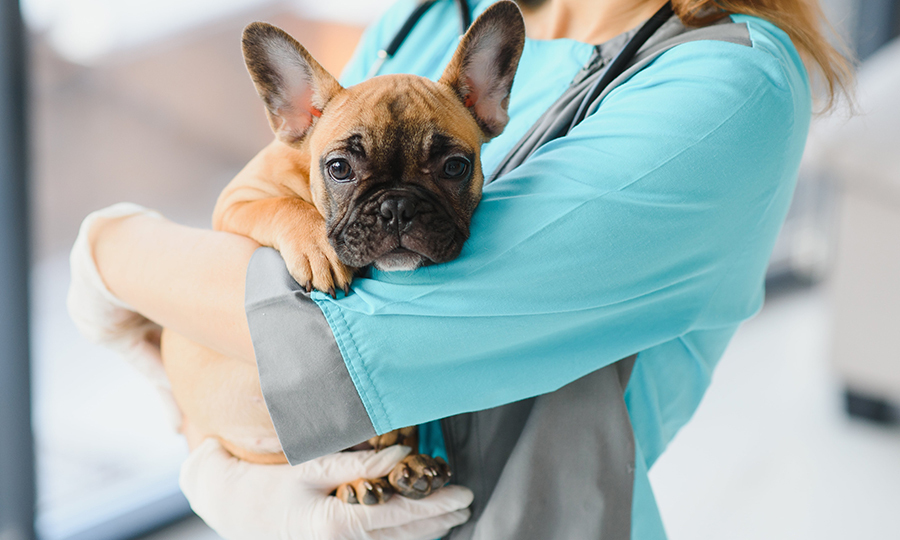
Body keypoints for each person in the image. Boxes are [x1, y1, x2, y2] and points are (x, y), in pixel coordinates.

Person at [69, 0, 852, 538]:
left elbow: (327, 346)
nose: (399, 211)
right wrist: (215, 462)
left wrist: (114, 252)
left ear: (488, 98)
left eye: (447, 167)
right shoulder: (429, 20)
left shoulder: (723, 84)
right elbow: (254, 202)